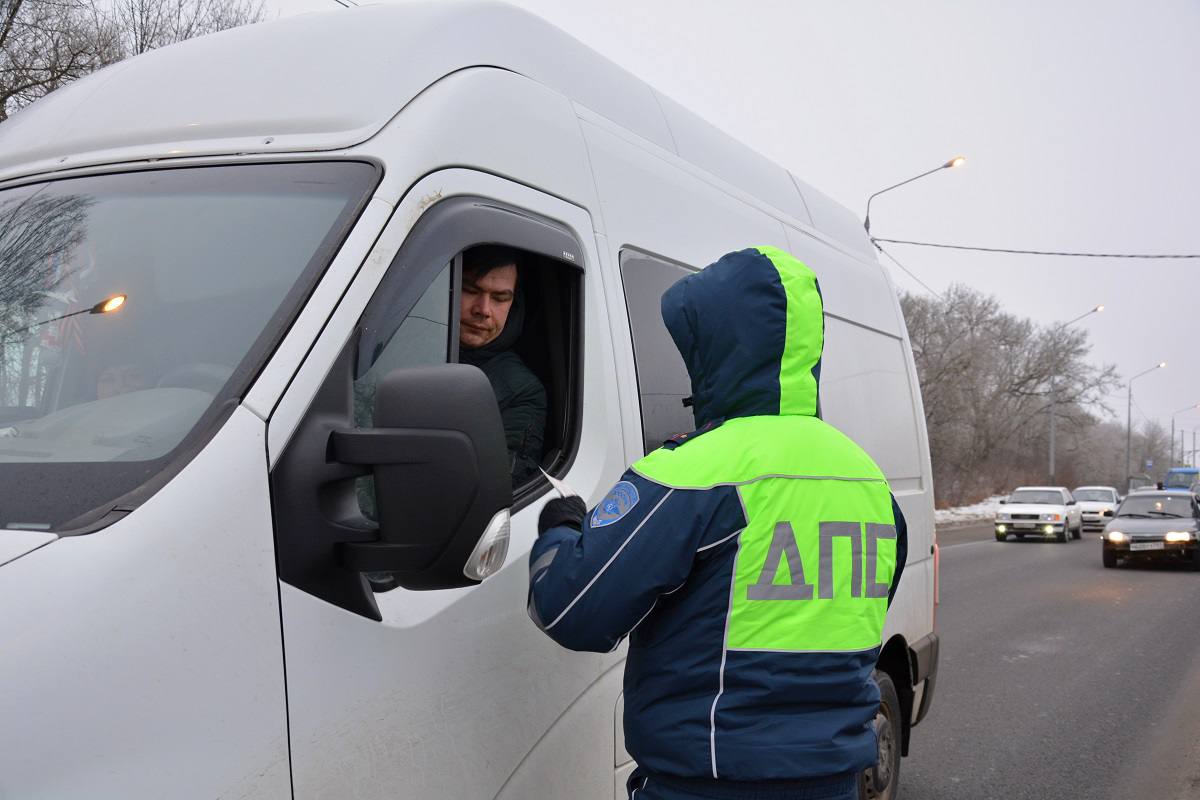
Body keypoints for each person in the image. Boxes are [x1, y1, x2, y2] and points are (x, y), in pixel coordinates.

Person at [528, 246, 907, 800]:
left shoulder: (699, 472)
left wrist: (561, 529)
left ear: (713, 345)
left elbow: (570, 608)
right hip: (833, 782)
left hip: (710, 783)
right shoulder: (869, 481)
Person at [458, 245, 547, 487]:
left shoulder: (523, 391)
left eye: (499, 298)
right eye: (469, 290)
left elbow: (496, 484)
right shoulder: (398, 342)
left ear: (513, 304)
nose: (483, 310)